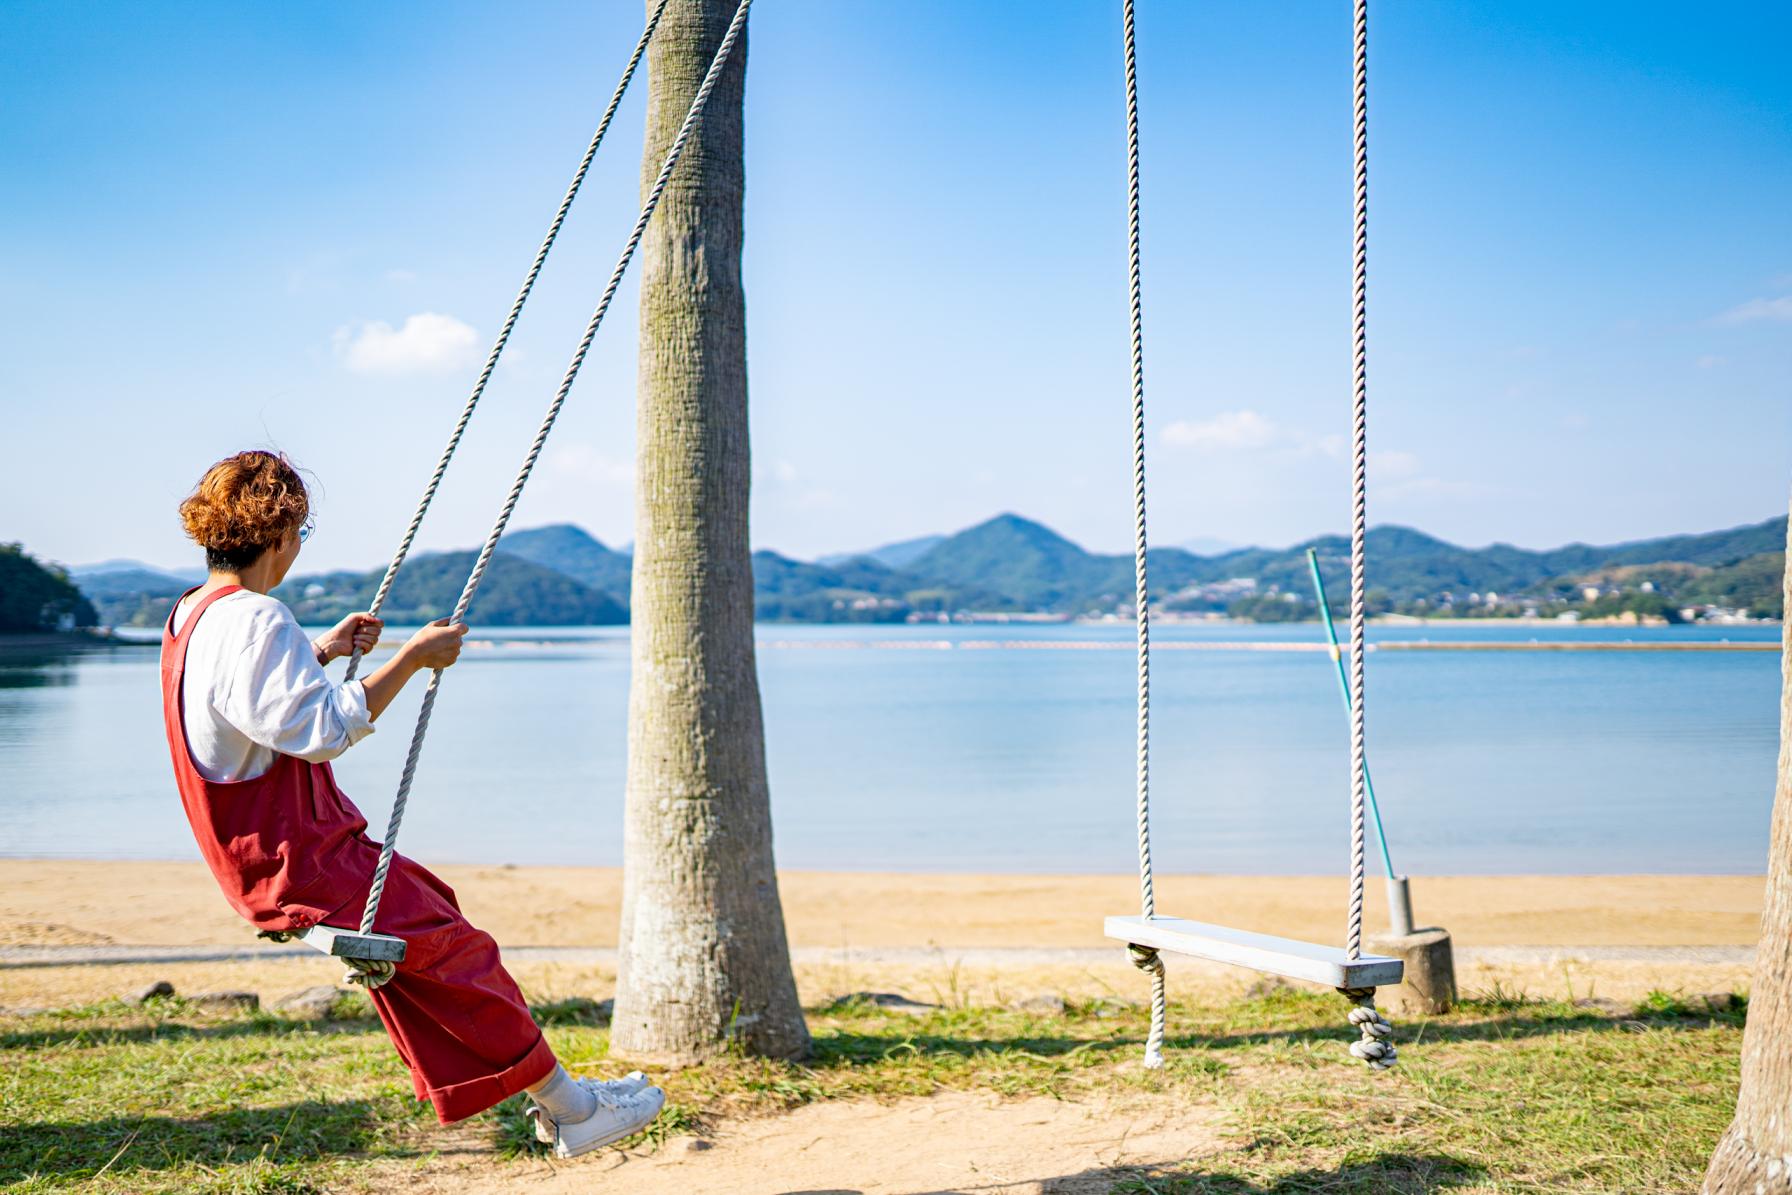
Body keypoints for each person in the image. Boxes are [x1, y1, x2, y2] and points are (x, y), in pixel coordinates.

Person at [159, 449, 661, 1157]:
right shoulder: (256, 618)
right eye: (302, 531)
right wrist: (414, 658)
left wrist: (323, 650)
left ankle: (562, 1099)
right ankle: (574, 1110)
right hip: (300, 859)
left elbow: (240, 698)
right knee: (459, 953)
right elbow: (320, 731)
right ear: (278, 534)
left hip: (257, 856)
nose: (301, 546)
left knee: (437, 925)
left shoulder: (194, 613)